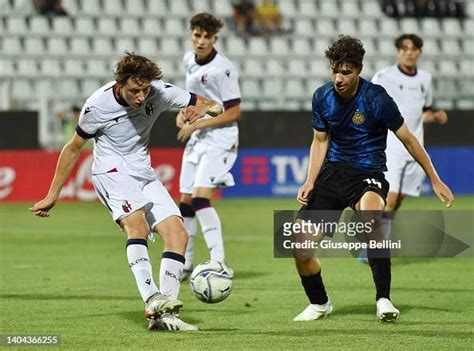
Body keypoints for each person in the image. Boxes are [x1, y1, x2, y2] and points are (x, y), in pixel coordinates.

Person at [29, 52, 225, 331]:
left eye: (145, 90)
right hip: (110, 172)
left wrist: (205, 109)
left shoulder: (160, 92)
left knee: (177, 233)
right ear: (119, 83)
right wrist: (53, 195)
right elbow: (73, 147)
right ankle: (152, 297)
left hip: (143, 171)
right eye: (135, 90)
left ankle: (164, 316)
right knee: (138, 225)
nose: (142, 97)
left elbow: (215, 107)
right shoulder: (98, 105)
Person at [293, 35, 453, 323]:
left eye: (346, 72)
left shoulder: (376, 98)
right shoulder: (321, 96)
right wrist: (309, 180)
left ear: (359, 70)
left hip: (368, 174)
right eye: (335, 70)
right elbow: (319, 141)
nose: (339, 78)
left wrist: (435, 178)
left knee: (372, 220)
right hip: (332, 174)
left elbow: (410, 141)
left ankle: (383, 299)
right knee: (300, 248)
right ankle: (319, 303)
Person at [176, 13, 241, 280]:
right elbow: (194, 100)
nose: (201, 41)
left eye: (207, 37)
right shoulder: (189, 60)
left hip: (221, 138)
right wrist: (183, 114)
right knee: (185, 203)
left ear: (215, 39)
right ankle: (186, 264)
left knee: (201, 197)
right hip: (198, 138)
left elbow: (234, 112)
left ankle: (219, 263)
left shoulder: (223, 69)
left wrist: (197, 124)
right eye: (197, 35)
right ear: (191, 34)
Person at [370, 34, 448, 255]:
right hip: (391, 144)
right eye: (404, 48)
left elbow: (422, 111)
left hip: (415, 147)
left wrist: (434, 115)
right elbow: (370, 105)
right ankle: (374, 245)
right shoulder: (384, 76)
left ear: (419, 53)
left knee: (400, 197)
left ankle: (379, 236)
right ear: (398, 52)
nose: (409, 52)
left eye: (414, 49)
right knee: (391, 196)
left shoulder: (425, 78)